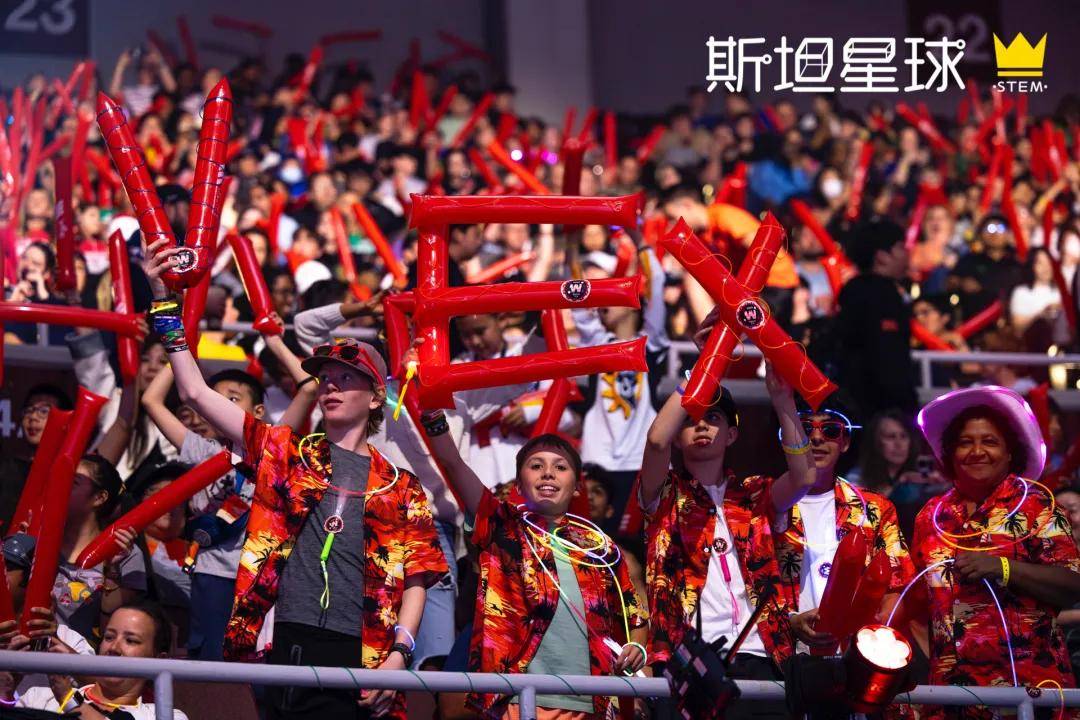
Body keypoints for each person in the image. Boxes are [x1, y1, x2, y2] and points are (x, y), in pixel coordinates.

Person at [144, 238, 447, 719]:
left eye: (345, 378)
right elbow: (195, 392)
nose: (330, 386)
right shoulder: (285, 452)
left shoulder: (401, 485)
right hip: (286, 638)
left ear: (375, 397)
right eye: (325, 378)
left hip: (367, 652)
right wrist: (163, 302)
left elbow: (418, 577)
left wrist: (399, 654)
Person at [422, 417, 649, 720]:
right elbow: (453, 463)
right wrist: (435, 419)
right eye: (536, 465)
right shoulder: (503, 526)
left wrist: (637, 648)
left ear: (577, 487)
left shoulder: (600, 547)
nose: (548, 473)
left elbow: (635, 614)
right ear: (519, 484)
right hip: (518, 697)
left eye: (560, 467)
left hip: (591, 701)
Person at [638, 360, 815, 720]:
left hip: (762, 655)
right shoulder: (664, 495)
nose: (701, 425)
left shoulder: (755, 494)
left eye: (713, 417)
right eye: (690, 419)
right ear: (678, 436)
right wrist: (704, 368)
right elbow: (655, 441)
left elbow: (804, 477)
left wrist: (783, 400)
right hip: (688, 660)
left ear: (732, 435)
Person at [910, 387, 1080, 719]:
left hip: (1028, 691)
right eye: (965, 442)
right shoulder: (931, 515)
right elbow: (917, 600)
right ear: (950, 453)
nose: (977, 451)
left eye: (990, 441)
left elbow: (1072, 584)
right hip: (950, 696)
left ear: (1010, 452)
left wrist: (1003, 568)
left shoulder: (1036, 504)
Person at [775, 401, 917, 653]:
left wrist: (868, 631)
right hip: (780, 653)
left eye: (830, 430)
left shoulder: (875, 508)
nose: (816, 437)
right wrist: (789, 621)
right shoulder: (762, 502)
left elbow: (897, 587)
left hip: (854, 654)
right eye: (805, 428)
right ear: (786, 437)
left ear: (845, 442)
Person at [17, 601, 189, 720]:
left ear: (159, 659)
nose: (113, 648)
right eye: (109, 637)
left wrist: (69, 700)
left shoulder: (165, 716)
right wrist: (6, 690)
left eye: (131, 640)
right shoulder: (39, 697)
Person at [836, 219, 917, 418]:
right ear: (882, 257)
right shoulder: (880, 296)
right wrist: (903, 406)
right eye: (901, 247)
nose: (907, 253)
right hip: (878, 411)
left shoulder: (856, 292)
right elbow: (887, 358)